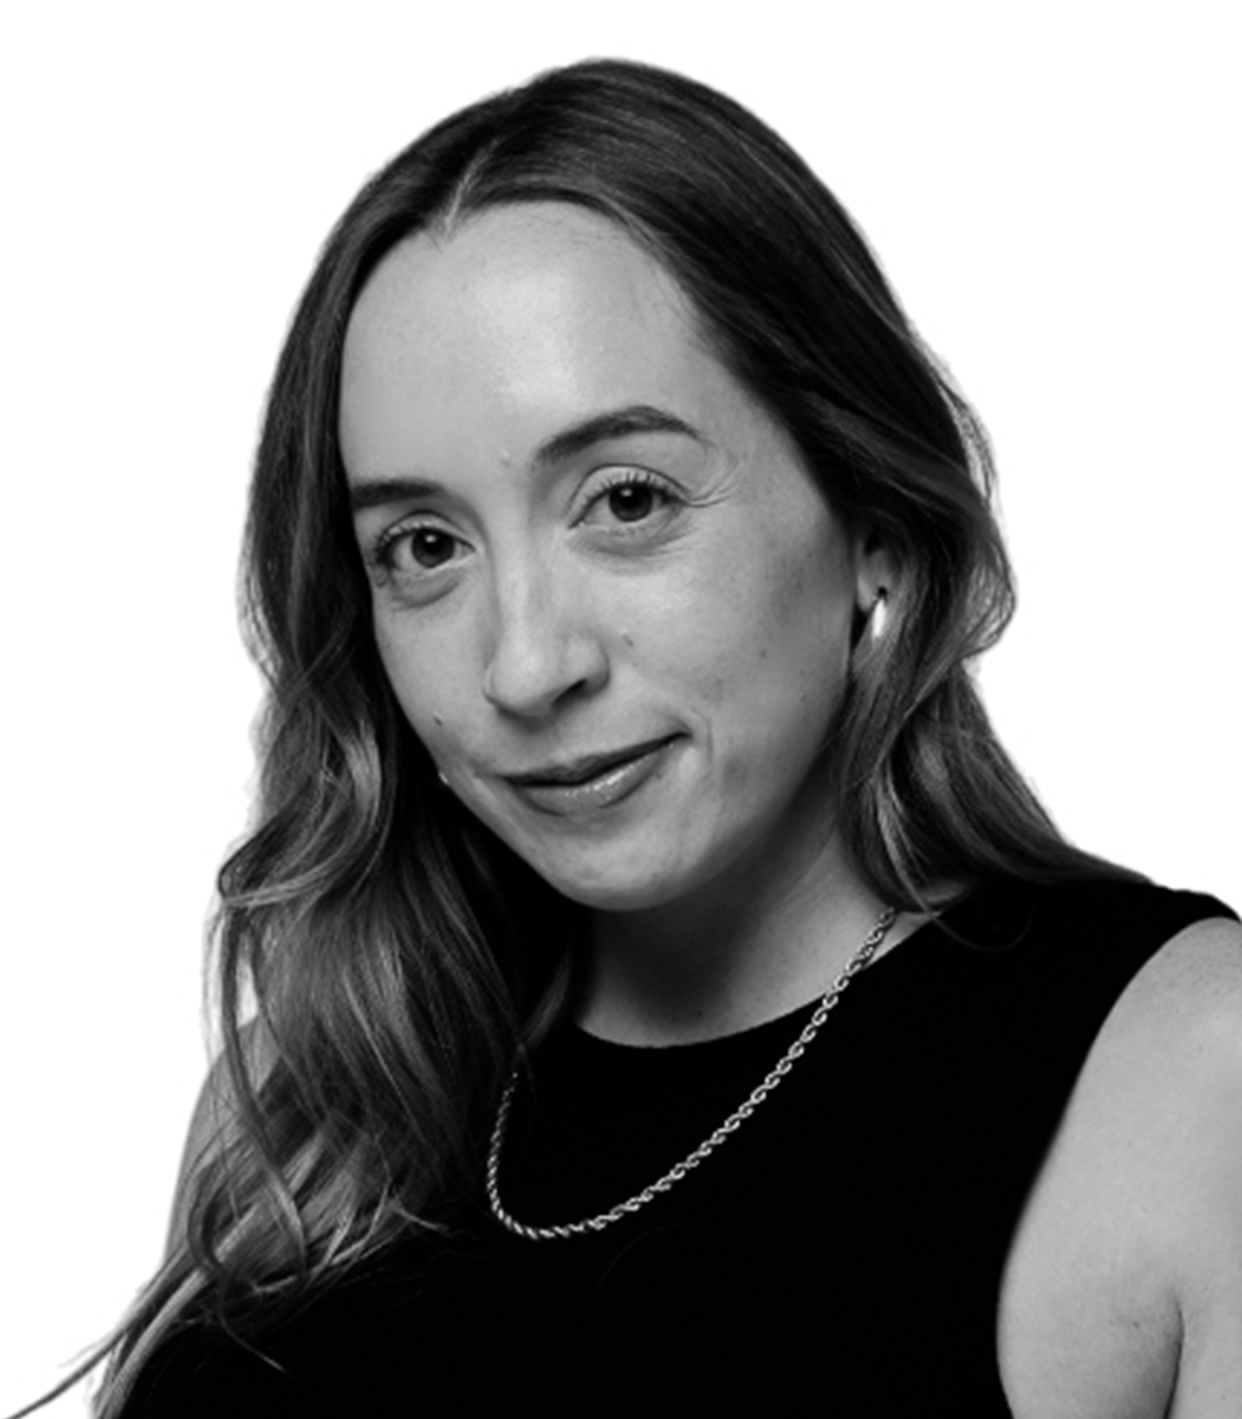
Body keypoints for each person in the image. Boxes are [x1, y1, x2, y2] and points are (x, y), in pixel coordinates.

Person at [45, 58, 1242, 1417]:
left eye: (627, 500)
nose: (526, 662)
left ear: (873, 528)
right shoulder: (317, 1100)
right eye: (423, 546)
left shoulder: (1186, 1074)